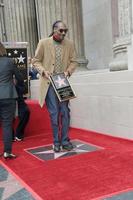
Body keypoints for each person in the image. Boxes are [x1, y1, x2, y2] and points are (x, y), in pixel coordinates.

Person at [32, 20, 78, 152]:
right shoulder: (43, 43)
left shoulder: (69, 44)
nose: (63, 33)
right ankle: (56, 141)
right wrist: (43, 71)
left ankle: (65, 140)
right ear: (54, 30)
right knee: (54, 113)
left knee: (65, 112)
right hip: (49, 82)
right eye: (61, 31)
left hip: (62, 82)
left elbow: (74, 61)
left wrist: (68, 71)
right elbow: (36, 61)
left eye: (65, 31)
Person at [0, 42, 23, 159]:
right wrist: (16, 83)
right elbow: (19, 77)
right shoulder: (9, 61)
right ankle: (7, 152)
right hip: (8, 95)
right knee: (7, 124)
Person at [12, 76, 30, 141]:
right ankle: (10, 135)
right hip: (7, 102)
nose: (14, 80)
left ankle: (19, 133)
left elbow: (24, 90)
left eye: (14, 78)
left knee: (26, 111)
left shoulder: (18, 85)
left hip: (19, 103)